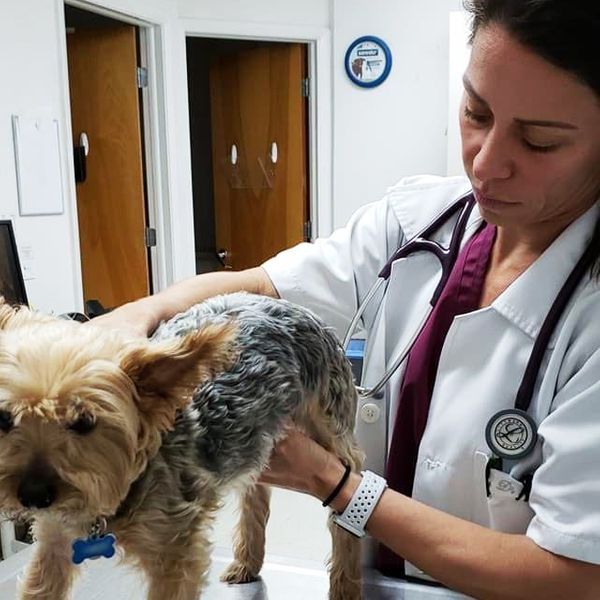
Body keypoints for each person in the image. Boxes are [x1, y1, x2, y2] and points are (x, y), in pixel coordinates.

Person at [94, 0, 600, 597]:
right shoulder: (416, 221)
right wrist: (139, 315)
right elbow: (264, 283)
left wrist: (335, 485)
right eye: (476, 112)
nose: (486, 165)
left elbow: (572, 574)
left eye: (539, 142)